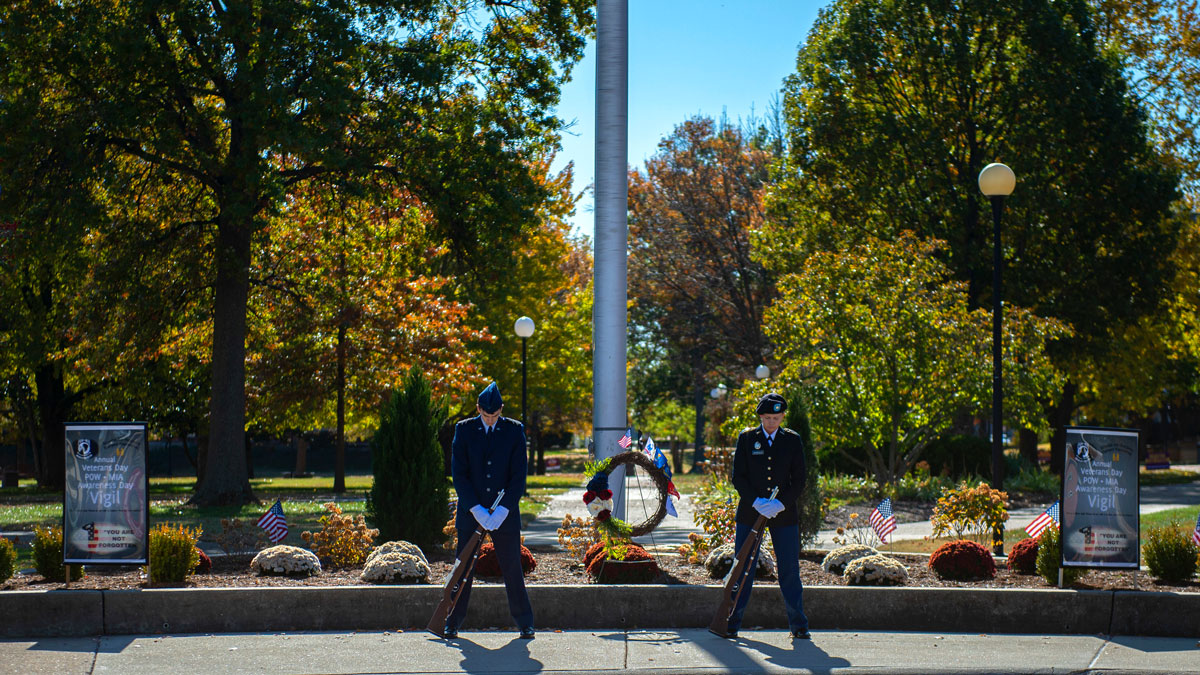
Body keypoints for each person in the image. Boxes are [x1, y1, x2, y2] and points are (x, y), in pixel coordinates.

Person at [445, 381, 534, 639]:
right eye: (486, 415)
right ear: (478, 409)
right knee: (463, 570)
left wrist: (503, 510)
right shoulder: (463, 430)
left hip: (504, 513)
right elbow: (459, 474)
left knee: (512, 568)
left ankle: (525, 622)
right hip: (471, 512)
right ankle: (452, 620)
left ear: (501, 410)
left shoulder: (514, 430)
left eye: (495, 415)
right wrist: (476, 509)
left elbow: (518, 476)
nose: (491, 420)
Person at [726, 392, 811, 639]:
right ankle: (731, 620)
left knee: (789, 569)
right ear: (760, 417)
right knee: (743, 568)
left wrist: (780, 504)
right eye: (767, 417)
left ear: (783, 416)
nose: (771, 422)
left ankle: (799, 624)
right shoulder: (747, 438)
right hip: (751, 512)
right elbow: (738, 477)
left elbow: (799, 479)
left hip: (783, 515)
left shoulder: (792, 440)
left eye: (776, 417)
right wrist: (756, 501)